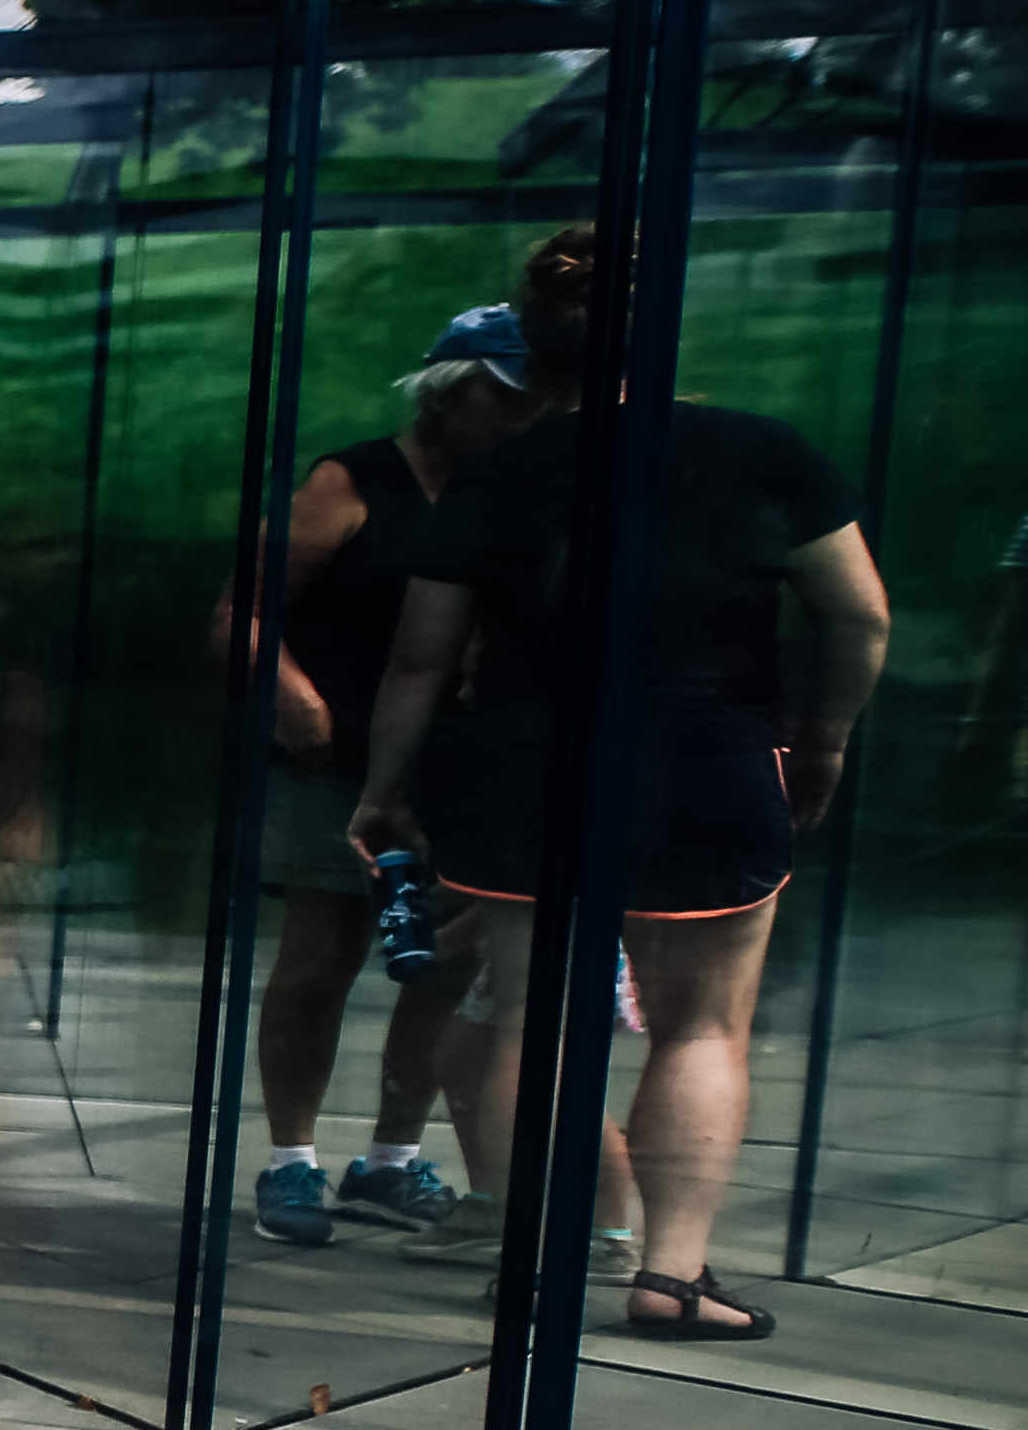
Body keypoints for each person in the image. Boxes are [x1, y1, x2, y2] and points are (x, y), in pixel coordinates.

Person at [352, 230, 893, 1340]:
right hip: (709, 758)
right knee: (701, 1025)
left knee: (533, 1022)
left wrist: (384, 787)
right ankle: (672, 1277)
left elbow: (420, 658)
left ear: (538, 346)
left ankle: (537, 1262)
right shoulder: (764, 452)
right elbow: (859, 615)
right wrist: (823, 739)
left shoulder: (501, 472)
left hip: (527, 769)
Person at [230, 336, 529, 1249]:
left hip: (457, 769)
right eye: (501, 393)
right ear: (444, 392)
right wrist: (290, 696)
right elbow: (241, 612)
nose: (520, 413)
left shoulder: (513, 490)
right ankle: (290, 1159)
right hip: (336, 763)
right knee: (319, 958)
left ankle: (392, 1160)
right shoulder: (351, 481)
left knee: (443, 965)